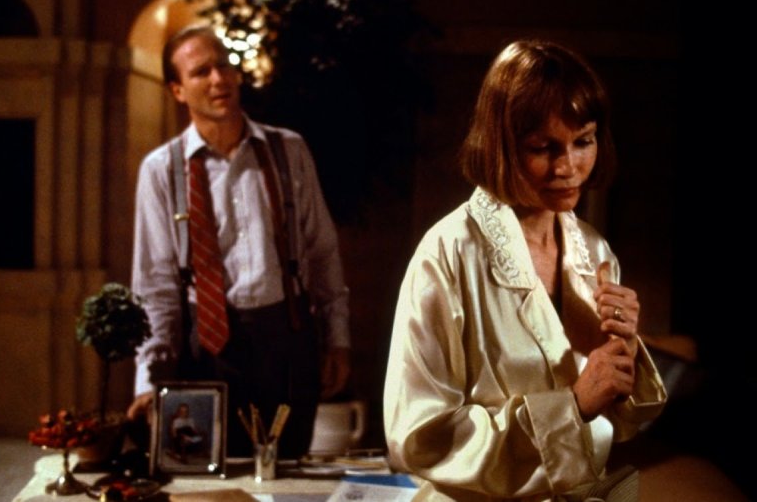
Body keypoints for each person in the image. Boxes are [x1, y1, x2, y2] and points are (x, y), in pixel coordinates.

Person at [383, 40, 667, 501]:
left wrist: (624, 354)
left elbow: (618, 425)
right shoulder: (448, 252)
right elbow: (420, 438)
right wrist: (571, 407)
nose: (568, 167)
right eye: (543, 148)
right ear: (502, 146)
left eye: (583, 141)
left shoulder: (593, 249)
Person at [127, 25, 350, 458]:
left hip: (287, 338)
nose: (219, 79)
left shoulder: (288, 150)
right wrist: (148, 379)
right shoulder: (162, 169)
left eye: (224, 65)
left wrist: (337, 339)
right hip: (205, 348)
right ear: (177, 90)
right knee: (206, 476)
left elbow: (322, 252)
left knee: (287, 471)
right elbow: (155, 286)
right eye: (201, 72)